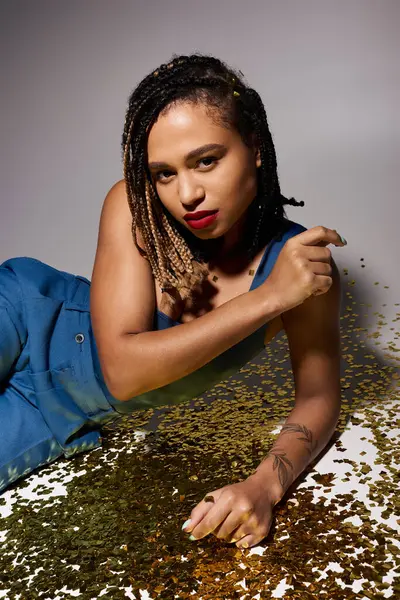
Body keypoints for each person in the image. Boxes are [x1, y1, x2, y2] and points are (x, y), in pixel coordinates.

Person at [0, 53, 346, 549]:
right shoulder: (132, 204)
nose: (187, 194)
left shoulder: (301, 269)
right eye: (164, 173)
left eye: (207, 161)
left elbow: (318, 397)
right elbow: (123, 370)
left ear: (255, 148)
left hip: (56, 412)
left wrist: (264, 487)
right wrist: (269, 299)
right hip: (23, 313)